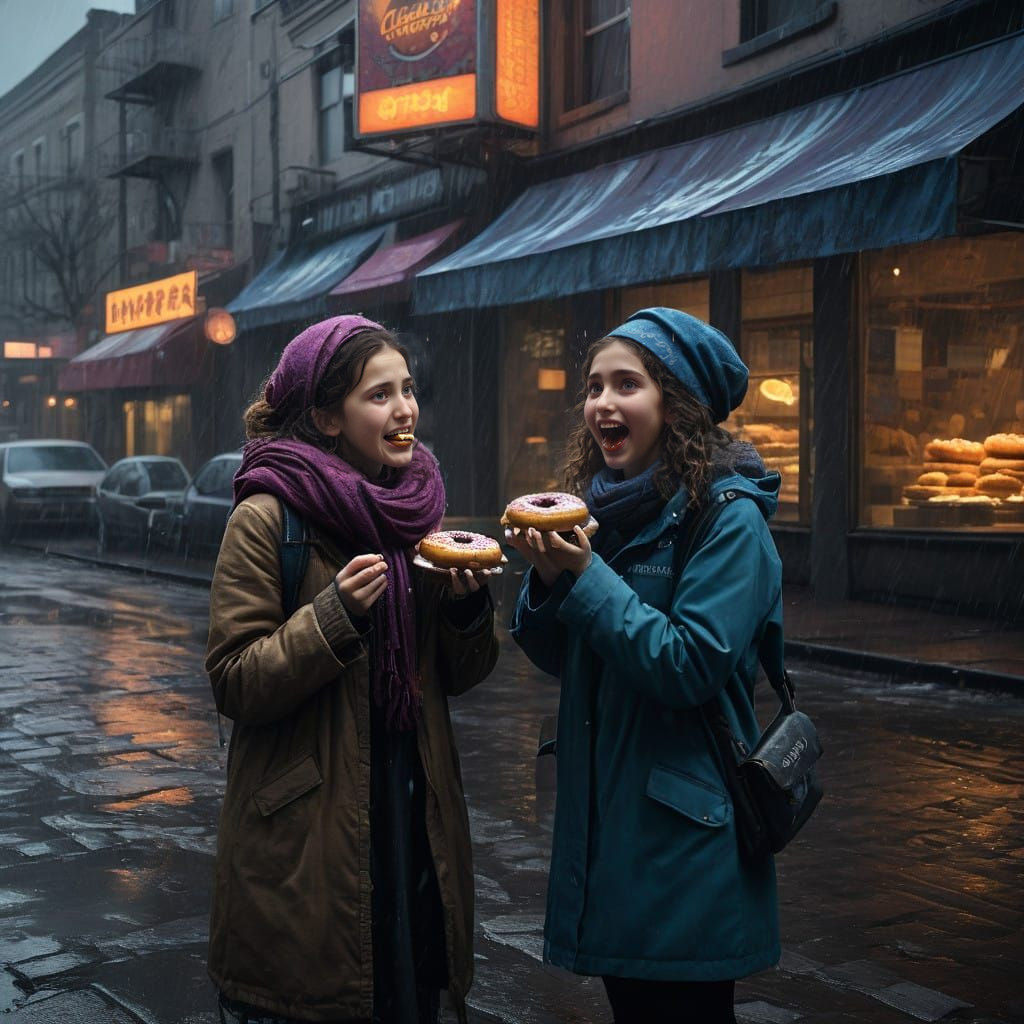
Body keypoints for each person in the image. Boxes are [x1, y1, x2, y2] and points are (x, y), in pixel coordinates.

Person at [205, 315, 499, 1024]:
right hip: (312, 830)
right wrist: (330, 619)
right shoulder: (269, 515)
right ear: (328, 417)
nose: (405, 410)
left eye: (408, 389)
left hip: (410, 823)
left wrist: (464, 613)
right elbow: (234, 677)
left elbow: (457, 677)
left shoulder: (418, 511)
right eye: (379, 395)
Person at [507, 307, 783, 1024]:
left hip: (683, 843)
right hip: (616, 830)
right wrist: (545, 582)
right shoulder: (610, 511)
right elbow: (570, 659)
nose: (602, 402)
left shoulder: (727, 517)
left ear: (675, 402)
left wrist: (587, 578)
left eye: (626, 384)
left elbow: (689, 664)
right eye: (594, 386)